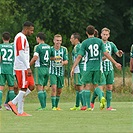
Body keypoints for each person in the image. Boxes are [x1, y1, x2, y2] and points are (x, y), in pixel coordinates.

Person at [71, 25, 121, 111]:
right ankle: (101, 97)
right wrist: (115, 63)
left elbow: (79, 56)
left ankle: (89, 107)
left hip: (88, 67)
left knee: (87, 86)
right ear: (94, 32)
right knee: (96, 85)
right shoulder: (99, 41)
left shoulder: (85, 43)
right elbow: (105, 53)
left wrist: (73, 67)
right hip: (98, 67)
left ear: (86, 33)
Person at [91, 27, 123, 111]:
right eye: (104, 34)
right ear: (101, 35)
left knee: (109, 87)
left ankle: (108, 106)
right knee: (100, 87)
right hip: (100, 69)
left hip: (110, 69)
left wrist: (119, 53)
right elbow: (95, 57)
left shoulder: (111, 44)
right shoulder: (97, 44)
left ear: (109, 35)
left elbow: (117, 54)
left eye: (107, 34)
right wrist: (103, 58)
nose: (105, 36)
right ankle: (93, 101)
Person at [8, 21, 35, 116]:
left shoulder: (23, 38)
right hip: (21, 67)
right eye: (31, 30)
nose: (32, 32)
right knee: (23, 88)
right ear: (26, 29)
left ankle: (13, 102)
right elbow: (21, 53)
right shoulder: (20, 37)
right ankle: (19, 111)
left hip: (23, 66)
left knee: (31, 86)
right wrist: (28, 67)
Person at [30, 32, 51, 111]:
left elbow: (35, 57)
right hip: (47, 68)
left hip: (39, 68)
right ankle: (44, 106)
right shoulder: (49, 47)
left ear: (38, 38)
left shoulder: (38, 47)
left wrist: (28, 65)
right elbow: (51, 57)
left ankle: (42, 107)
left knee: (39, 87)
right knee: (43, 88)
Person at [50, 34, 68, 110]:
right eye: (57, 40)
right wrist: (54, 58)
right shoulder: (50, 49)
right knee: (54, 88)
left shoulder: (64, 49)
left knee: (59, 90)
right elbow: (48, 58)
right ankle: (53, 106)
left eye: (60, 40)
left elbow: (66, 60)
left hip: (60, 72)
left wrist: (63, 62)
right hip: (52, 72)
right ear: (54, 41)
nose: (58, 42)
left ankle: (57, 105)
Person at [69, 33, 86, 110]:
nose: (70, 40)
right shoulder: (82, 45)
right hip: (83, 67)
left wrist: (73, 68)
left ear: (76, 39)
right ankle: (77, 105)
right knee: (77, 86)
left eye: (71, 38)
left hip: (78, 68)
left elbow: (78, 58)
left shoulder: (77, 47)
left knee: (80, 86)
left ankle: (84, 105)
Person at [0, 32, 16, 110]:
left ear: (2, 38)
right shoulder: (13, 47)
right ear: (9, 38)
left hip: (2, 69)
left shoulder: (0, 46)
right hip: (10, 69)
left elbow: (0, 58)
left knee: (0, 88)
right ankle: (10, 105)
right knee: (11, 88)